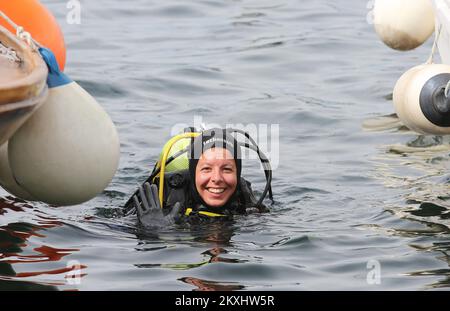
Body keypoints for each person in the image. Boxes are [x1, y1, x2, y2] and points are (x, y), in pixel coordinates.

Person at [124, 128, 273, 228]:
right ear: (193, 171)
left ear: (238, 172)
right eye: (206, 169)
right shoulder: (163, 198)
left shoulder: (246, 203)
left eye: (227, 169)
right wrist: (151, 230)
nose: (217, 178)